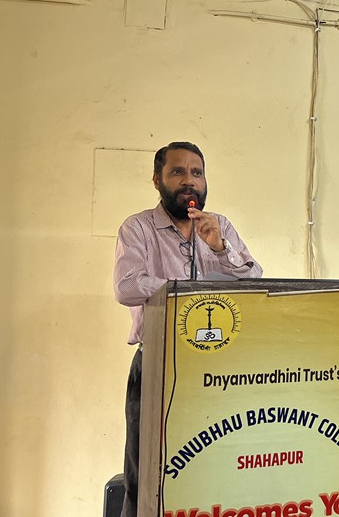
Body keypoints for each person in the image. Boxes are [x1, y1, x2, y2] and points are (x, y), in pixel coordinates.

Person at [113, 141, 263, 517]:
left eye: (196, 173)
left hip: (216, 369)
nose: (189, 181)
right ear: (157, 180)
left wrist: (219, 248)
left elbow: (254, 281)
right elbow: (126, 286)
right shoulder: (138, 228)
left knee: (207, 468)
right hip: (158, 365)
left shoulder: (219, 226)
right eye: (177, 172)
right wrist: (185, 291)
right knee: (147, 473)